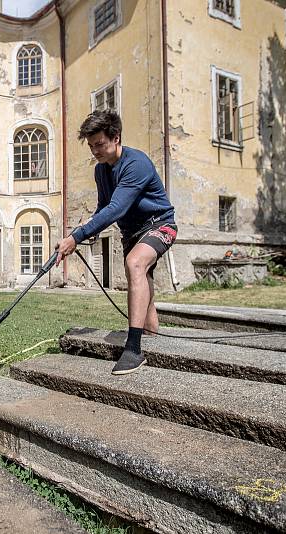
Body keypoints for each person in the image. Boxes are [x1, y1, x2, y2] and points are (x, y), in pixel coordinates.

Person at [55, 110, 177, 375]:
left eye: (99, 144)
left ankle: (133, 350)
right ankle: (152, 340)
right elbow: (104, 207)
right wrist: (91, 230)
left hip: (160, 225)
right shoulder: (101, 171)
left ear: (116, 137)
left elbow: (118, 207)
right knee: (144, 287)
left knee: (135, 264)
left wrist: (77, 236)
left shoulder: (137, 163)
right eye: (91, 146)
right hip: (130, 233)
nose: (95, 151)